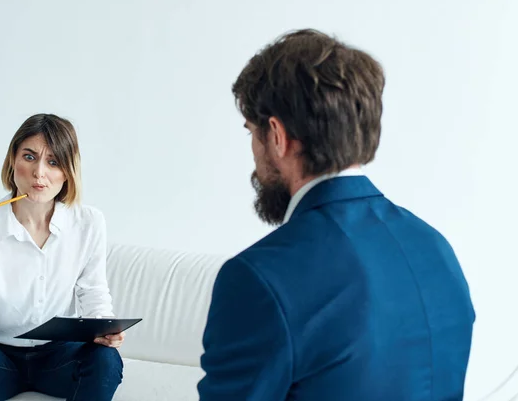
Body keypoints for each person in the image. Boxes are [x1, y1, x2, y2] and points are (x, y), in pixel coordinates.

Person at [197, 29, 475, 400]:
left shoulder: (258, 280)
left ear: (276, 135)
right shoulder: (436, 249)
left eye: (251, 132)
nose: (253, 151)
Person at [0, 114, 124, 401]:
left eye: (53, 162)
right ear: (13, 161)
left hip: (59, 354)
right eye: (29, 156)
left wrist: (105, 328)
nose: (39, 172)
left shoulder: (88, 222)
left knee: (106, 360)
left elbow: (93, 291)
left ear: (67, 171)